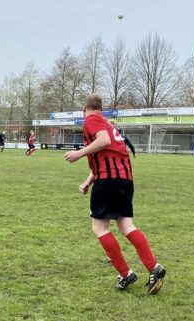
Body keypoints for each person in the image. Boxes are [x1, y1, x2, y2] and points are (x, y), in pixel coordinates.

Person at [64, 94, 166, 294]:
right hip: (125, 180)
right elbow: (105, 154)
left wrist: (79, 153)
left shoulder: (92, 120)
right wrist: (87, 182)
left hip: (108, 181)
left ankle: (126, 273)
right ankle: (153, 267)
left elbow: (102, 141)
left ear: (85, 108)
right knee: (126, 225)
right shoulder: (109, 125)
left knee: (100, 228)